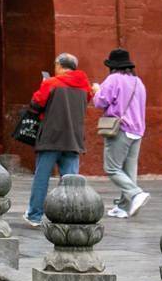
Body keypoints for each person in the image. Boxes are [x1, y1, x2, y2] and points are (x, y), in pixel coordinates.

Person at [24, 52, 92, 226]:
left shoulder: (51, 83)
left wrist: (43, 85)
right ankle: (70, 215)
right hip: (73, 139)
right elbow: (88, 99)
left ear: (59, 65)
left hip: (51, 137)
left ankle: (34, 215)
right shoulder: (85, 87)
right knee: (71, 182)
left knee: (42, 178)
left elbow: (36, 104)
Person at [91, 48, 149, 219]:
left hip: (121, 129)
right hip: (137, 130)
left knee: (112, 168)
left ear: (112, 66)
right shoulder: (138, 82)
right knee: (129, 170)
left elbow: (101, 102)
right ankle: (124, 207)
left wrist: (97, 90)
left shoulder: (114, 79)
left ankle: (136, 194)